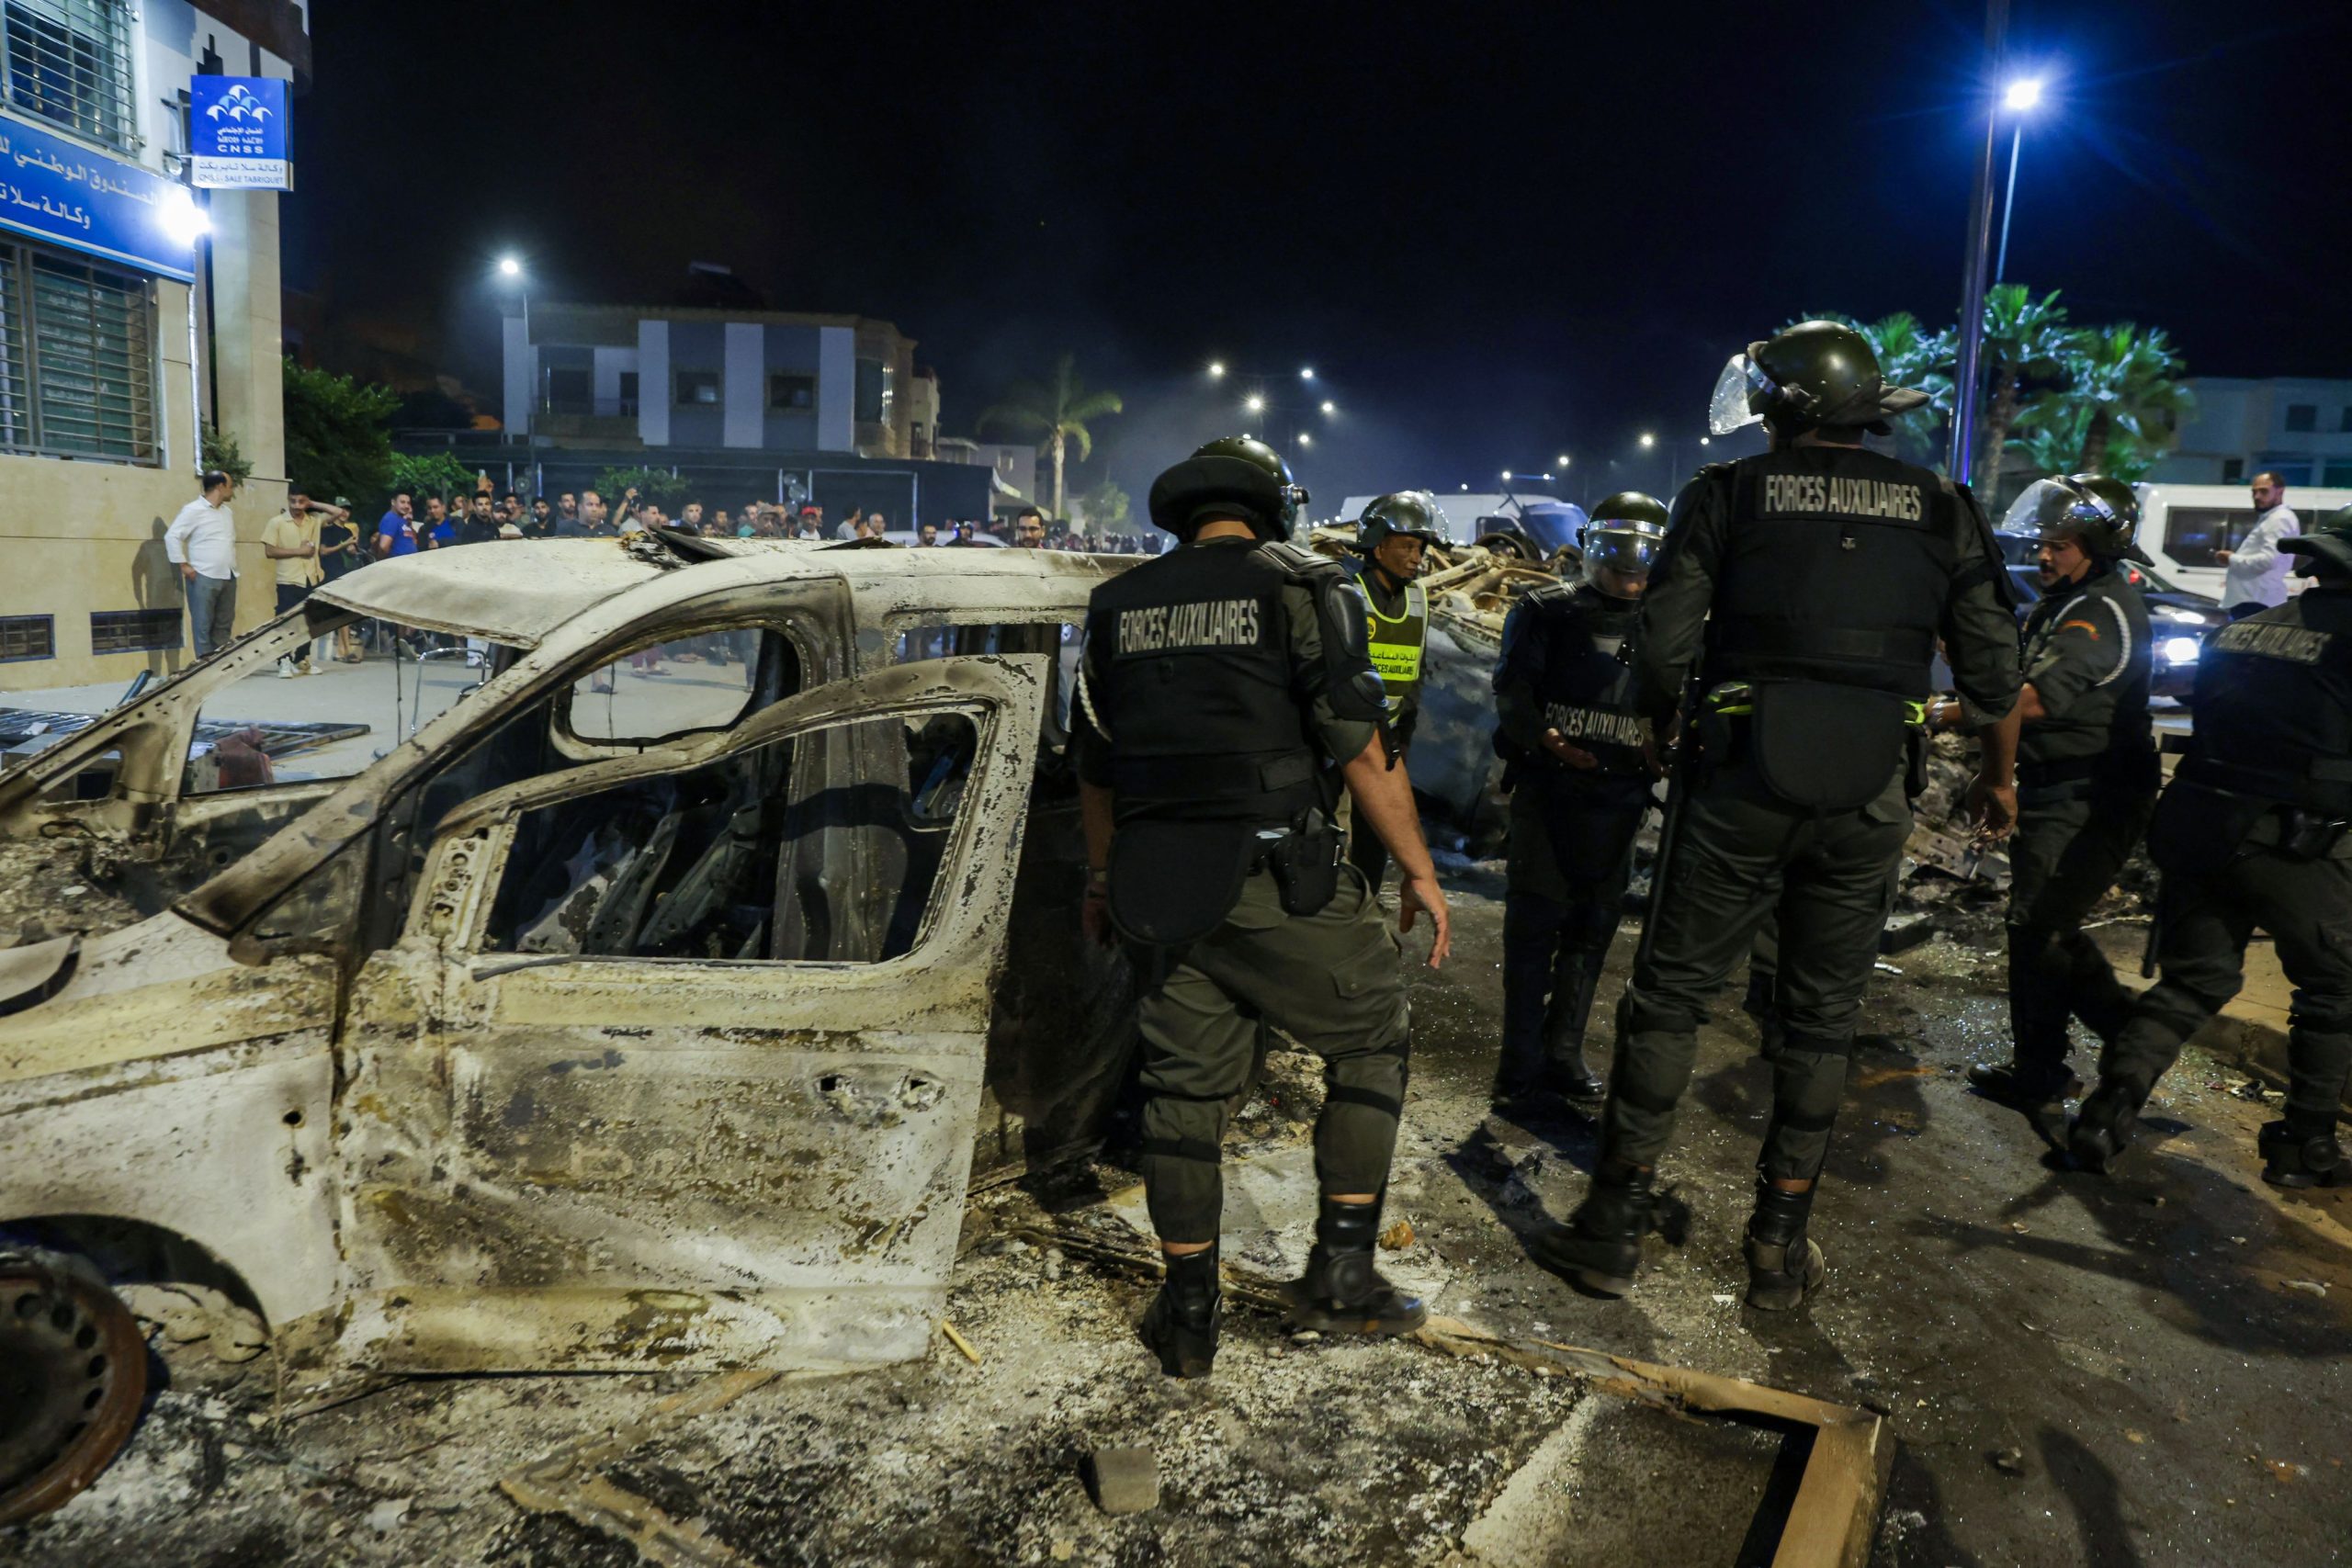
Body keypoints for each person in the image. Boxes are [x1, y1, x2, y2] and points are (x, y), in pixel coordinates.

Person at [1533, 321, 2022, 1310]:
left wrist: (1667, 725)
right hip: (1869, 790)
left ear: (1782, 408)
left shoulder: (1723, 496)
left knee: (1669, 1000)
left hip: (1739, 783)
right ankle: (1775, 1249)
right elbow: (1995, 673)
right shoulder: (1942, 505)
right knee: (1820, 1020)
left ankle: (1611, 1229)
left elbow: (1664, 652)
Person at [1071, 435, 1452, 1377]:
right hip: (1276, 878)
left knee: (1182, 1095)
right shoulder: (1301, 585)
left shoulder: (1117, 604)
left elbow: (1093, 768)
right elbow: (1361, 751)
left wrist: (1101, 879)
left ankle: (1189, 1315)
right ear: (1269, 506)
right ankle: (1340, 1277)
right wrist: (1419, 871)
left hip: (1160, 886)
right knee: (1369, 1037)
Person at [2070, 508, 2352, 1184]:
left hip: (2198, 828)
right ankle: (2304, 1143)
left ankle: (2107, 1108)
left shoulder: (2246, 627)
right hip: (2295, 845)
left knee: (2194, 980)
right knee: (2334, 988)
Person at [1963, 476, 2160, 1111]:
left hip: (2091, 793)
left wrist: (1951, 712)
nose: (2046, 556)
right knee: (2035, 927)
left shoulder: (2102, 611)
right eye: (2044, 543)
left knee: (2042, 926)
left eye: (2062, 545)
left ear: (2098, 548)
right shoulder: (2063, 604)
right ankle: (2051, 1063)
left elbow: (2038, 698)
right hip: (2054, 788)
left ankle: (2124, 1040)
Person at [1489, 491, 1669, 1109]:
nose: (1631, 577)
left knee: (1592, 933)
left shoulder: (1666, 626)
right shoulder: (1546, 610)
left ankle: (1563, 1054)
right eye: (1621, 563)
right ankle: (1518, 1064)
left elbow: (1672, 709)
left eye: (1643, 564)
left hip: (1618, 805)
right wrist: (1549, 741)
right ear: (1597, 553)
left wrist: (1662, 747)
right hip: (1549, 798)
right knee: (1533, 931)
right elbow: (1513, 695)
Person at [1341, 492, 1445, 888]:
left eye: (1420, 548)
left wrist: (1403, 735)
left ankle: (1364, 902)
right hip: (1345, 738)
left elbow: (1415, 673)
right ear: (1378, 545)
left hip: (1389, 736)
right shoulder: (1347, 591)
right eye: (1407, 546)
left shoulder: (1418, 599)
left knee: (1377, 835)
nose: (1417, 557)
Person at [261, 491, 336, 676]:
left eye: (301, 501)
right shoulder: (277, 522)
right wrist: (299, 551)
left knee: (309, 620)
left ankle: (302, 659)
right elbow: (270, 551)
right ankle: (284, 659)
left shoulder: (314, 521)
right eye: (292, 501)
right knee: (287, 621)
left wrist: (313, 503)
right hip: (288, 578)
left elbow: (337, 513)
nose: (296, 505)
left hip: (311, 577)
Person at [165, 469, 240, 658]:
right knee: (203, 625)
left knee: (224, 624)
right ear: (220, 487)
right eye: (230, 486)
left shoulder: (227, 511)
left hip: (228, 574)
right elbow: (172, 536)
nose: (232, 490)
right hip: (203, 576)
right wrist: (183, 565)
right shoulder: (193, 510)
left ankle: (222, 665)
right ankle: (205, 669)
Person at [2214, 471, 2300, 619]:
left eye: (2263, 491)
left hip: (2256, 601)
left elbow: (2269, 560)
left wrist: (2232, 559)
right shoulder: (2273, 517)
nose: (2257, 496)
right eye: (2254, 491)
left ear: (2280, 491)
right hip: (2254, 599)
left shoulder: (2279, 519)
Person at [376, 491, 419, 558]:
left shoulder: (402, 519)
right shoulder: (390, 519)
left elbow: (412, 541)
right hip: (399, 564)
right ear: (393, 502)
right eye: (402, 502)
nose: (406, 506)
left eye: (408, 503)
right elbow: (383, 547)